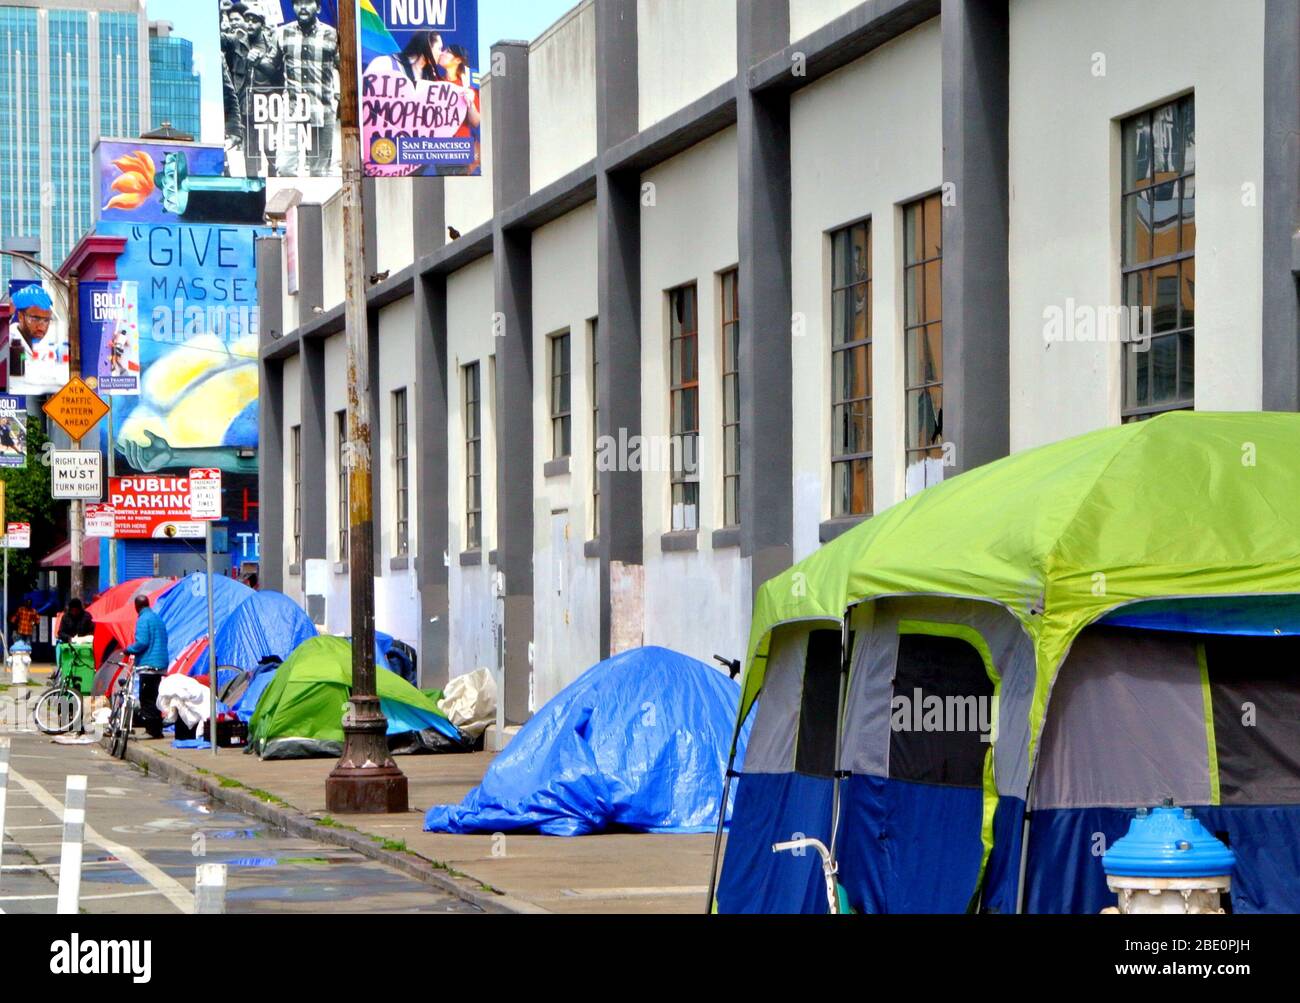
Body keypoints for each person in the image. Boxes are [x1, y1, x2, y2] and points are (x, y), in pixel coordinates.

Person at [276, 0, 339, 176]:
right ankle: (291, 202)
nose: (303, 7)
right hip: (292, 111)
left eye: (308, 2)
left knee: (319, 172)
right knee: (284, 167)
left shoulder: (332, 35)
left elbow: (345, 69)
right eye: (298, 3)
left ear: (318, 7)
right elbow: (273, 68)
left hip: (323, 110)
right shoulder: (282, 33)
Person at [124, 595, 169, 672]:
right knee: (156, 684)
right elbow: (165, 639)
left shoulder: (143, 619)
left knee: (145, 684)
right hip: (162, 664)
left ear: (137, 607)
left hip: (148, 666)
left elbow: (142, 642)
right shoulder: (158, 618)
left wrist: (128, 650)